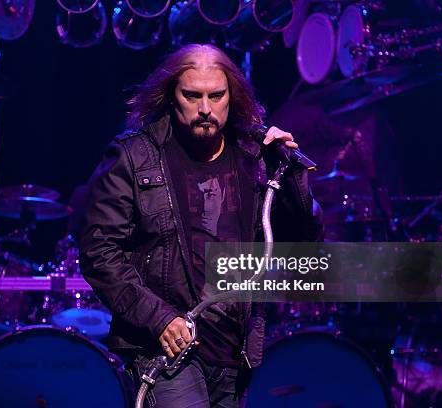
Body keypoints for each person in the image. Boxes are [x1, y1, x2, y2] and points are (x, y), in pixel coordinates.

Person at [80, 44, 322, 407]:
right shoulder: (134, 157)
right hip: (165, 348)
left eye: (216, 95)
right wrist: (159, 319)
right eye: (192, 95)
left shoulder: (255, 159)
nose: (205, 108)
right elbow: (100, 252)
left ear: (233, 96)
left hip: (233, 351)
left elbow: (304, 247)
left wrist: (290, 178)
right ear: (171, 96)